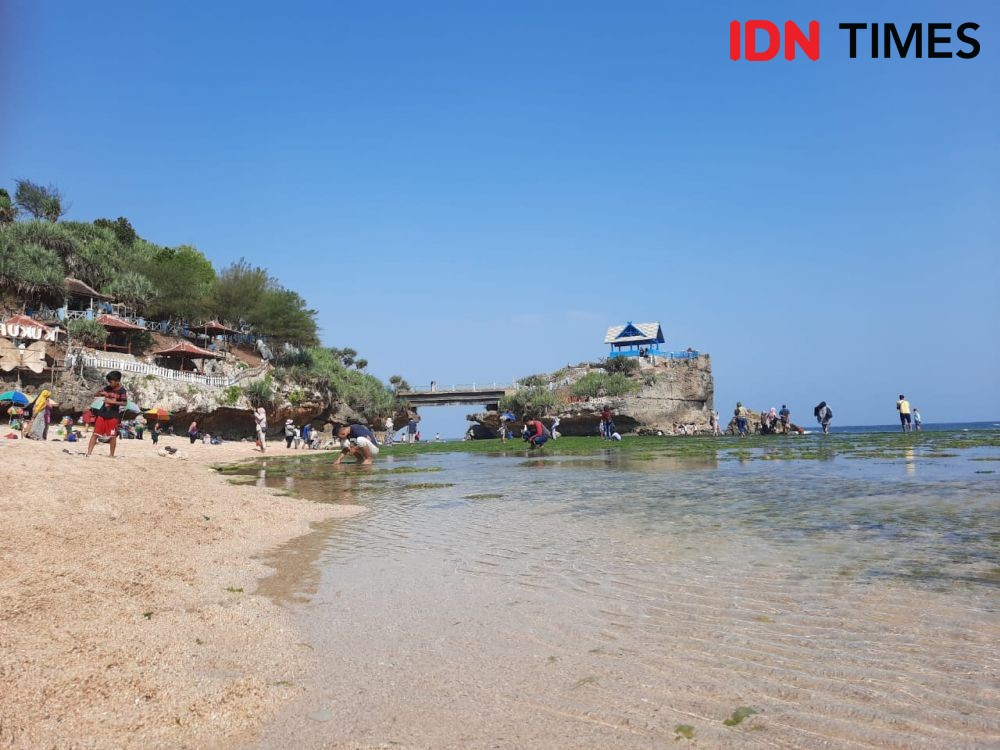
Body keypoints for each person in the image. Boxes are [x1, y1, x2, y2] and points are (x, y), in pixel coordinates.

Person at [87, 371, 127, 458]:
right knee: (95, 434)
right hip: (102, 413)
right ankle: (88, 453)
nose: (110, 383)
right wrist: (100, 392)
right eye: (109, 381)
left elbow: (124, 403)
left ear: (117, 381)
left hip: (113, 415)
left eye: (111, 382)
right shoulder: (107, 388)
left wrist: (113, 401)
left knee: (112, 436)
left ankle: (111, 455)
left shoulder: (122, 391)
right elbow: (96, 394)